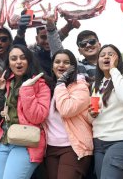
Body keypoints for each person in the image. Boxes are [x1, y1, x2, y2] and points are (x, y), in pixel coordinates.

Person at [0, 44, 51, 179]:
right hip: (3, 142)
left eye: (23, 58)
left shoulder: (40, 84)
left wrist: (26, 89)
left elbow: (38, 117)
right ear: (9, 63)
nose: (18, 62)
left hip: (26, 143)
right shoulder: (5, 83)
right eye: (14, 59)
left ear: (29, 61)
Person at [88, 44, 123, 179]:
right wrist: (91, 114)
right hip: (100, 143)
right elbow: (93, 118)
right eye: (102, 55)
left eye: (110, 54)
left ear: (118, 58)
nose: (106, 56)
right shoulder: (97, 85)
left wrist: (113, 69)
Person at [45, 49, 93, 179]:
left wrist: (61, 83)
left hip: (73, 146)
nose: (61, 65)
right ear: (52, 66)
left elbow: (67, 110)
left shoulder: (80, 86)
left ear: (73, 67)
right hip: (50, 148)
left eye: (66, 62)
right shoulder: (48, 88)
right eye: (57, 62)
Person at [13, 10, 80, 76]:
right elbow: (18, 48)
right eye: (43, 37)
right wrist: (21, 30)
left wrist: (69, 26)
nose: (47, 41)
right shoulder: (31, 55)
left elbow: (55, 39)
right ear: (37, 39)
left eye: (49, 37)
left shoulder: (63, 54)